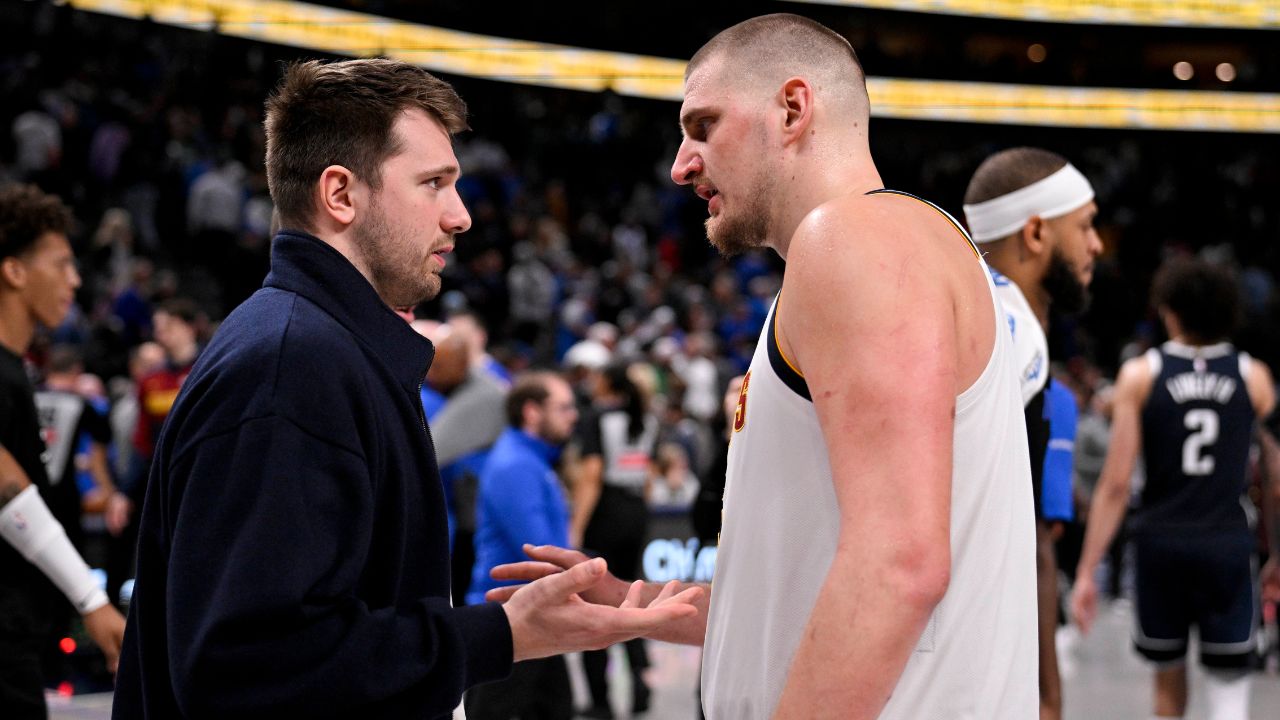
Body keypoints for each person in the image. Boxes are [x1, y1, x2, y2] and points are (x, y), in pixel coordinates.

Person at [111, 58, 699, 718]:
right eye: (434, 184)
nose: (462, 217)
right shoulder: (292, 366)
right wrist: (499, 634)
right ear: (341, 195)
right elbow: (251, 673)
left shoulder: (324, 349)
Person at [487, 14, 1037, 719]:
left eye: (703, 126)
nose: (681, 164)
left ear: (792, 108)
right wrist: (636, 600)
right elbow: (814, 596)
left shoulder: (854, 239)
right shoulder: (872, 250)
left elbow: (899, 567)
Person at [1071, 257, 1275, 720]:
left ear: (1169, 311)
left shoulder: (1141, 375)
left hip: (1161, 543)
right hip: (1225, 540)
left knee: (1167, 685)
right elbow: (1273, 472)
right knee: (1229, 684)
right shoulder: (1253, 377)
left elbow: (1117, 482)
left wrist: (1088, 568)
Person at [961, 146, 1103, 720]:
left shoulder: (966, 299)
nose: (1096, 245)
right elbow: (1033, 547)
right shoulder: (1010, 326)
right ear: (1037, 232)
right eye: (1087, 226)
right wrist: (1047, 695)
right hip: (969, 653)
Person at [0, 183, 126, 718]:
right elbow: (5, 488)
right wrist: (91, 598)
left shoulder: (16, 372)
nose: (74, 281)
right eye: (61, 264)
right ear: (15, 271)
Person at [465, 372, 579, 720]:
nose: (573, 415)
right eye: (563, 408)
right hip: (511, 618)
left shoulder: (531, 460)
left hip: (534, 613)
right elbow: (541, 549)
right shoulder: (516, 465)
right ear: (532, 412)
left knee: (555, 707)